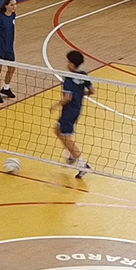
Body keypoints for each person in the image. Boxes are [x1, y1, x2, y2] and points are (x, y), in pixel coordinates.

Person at [55, 48, 93, 179]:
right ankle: (71, 155)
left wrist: (56, 105)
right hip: (77, 109)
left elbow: (67, 98)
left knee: (66, 137)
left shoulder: (68, 79)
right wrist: (80, 94)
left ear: (72, 64)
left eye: (68, 62)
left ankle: (83, 164)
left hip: (69, 110)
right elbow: (92, 91)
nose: (67, 64)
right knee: (57, 129)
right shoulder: (83, 75)